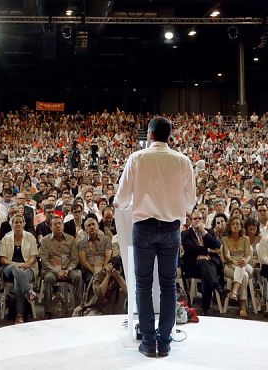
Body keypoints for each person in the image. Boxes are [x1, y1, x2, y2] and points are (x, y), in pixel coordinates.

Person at [115, 116, 196, 358]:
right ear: (168, 136)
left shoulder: (137, 158)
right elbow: (190, 201)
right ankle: (166, 342)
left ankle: (149, 342)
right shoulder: (183, 161)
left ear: (149, 134)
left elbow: (123, 197)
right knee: (168, 285)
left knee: (143, 284)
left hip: (144, 227)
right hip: (171, 228)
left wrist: (119, 203)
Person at [180, 211, 228, 315]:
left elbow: (217, 244)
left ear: (203, 220)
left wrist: (204, 233)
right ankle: (218, 288)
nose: (197, 220)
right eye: (194, 219)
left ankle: (205, 308)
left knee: (206, 268)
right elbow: (190, 248)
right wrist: (208, 251)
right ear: (191, 221)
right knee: (204, 263)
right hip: (193, 265)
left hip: (211, 265)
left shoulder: (209, 232)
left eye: (200, 218)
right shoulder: (185, 234)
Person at [0, 215, 39, 324]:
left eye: (20, 222)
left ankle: (19, 315)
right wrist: (16, 264)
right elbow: (3, 259)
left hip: (28, 268)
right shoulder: (6, 238)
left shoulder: (30, 237)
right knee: (16, 269)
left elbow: (33, 256)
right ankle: (29, 291)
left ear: (24, 223)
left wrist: (27, 264)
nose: (18, 224)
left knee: (18, 279)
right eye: (16, 222)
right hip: (9, 268)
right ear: (12, 225)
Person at [39, 216, 81, 319]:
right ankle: (48, 311)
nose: (58, 226)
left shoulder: (71, 239)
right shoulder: (45, 240)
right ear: (50, 227)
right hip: (51, 270)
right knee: (48, 278)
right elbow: (45, 260)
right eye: (55, 224)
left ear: (63, 225)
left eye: (60, 224)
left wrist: (67, 270)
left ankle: (79, 308)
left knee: (78, 277)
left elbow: (74, 259)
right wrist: (57, 271)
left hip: (68, 269)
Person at [221, 217, 252, 318]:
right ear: (229, 226)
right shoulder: (225, 239)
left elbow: (248, 255)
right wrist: (235, 262)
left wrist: (245, 261)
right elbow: (227, 256)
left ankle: (234, 291)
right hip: (230, 265)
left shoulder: (246, 239)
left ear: (241, 226)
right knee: (245, 276)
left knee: (242, 267)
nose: (235, 226)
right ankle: (242, 306)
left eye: (237, 224)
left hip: (245, 264)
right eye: (233, 224)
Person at [77, 214, 112, 284]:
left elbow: (108, 257)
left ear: (98, 226)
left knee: (112, 277)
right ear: (85, 229)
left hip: (104, 267)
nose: (92, 227)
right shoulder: (81, 243)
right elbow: (83, 261)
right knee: (94, 280)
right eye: (89, 225)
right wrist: (94, 272)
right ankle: (95, 294)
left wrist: (103, 270)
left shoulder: (106, 240)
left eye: (93, 224)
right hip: (89, 269)